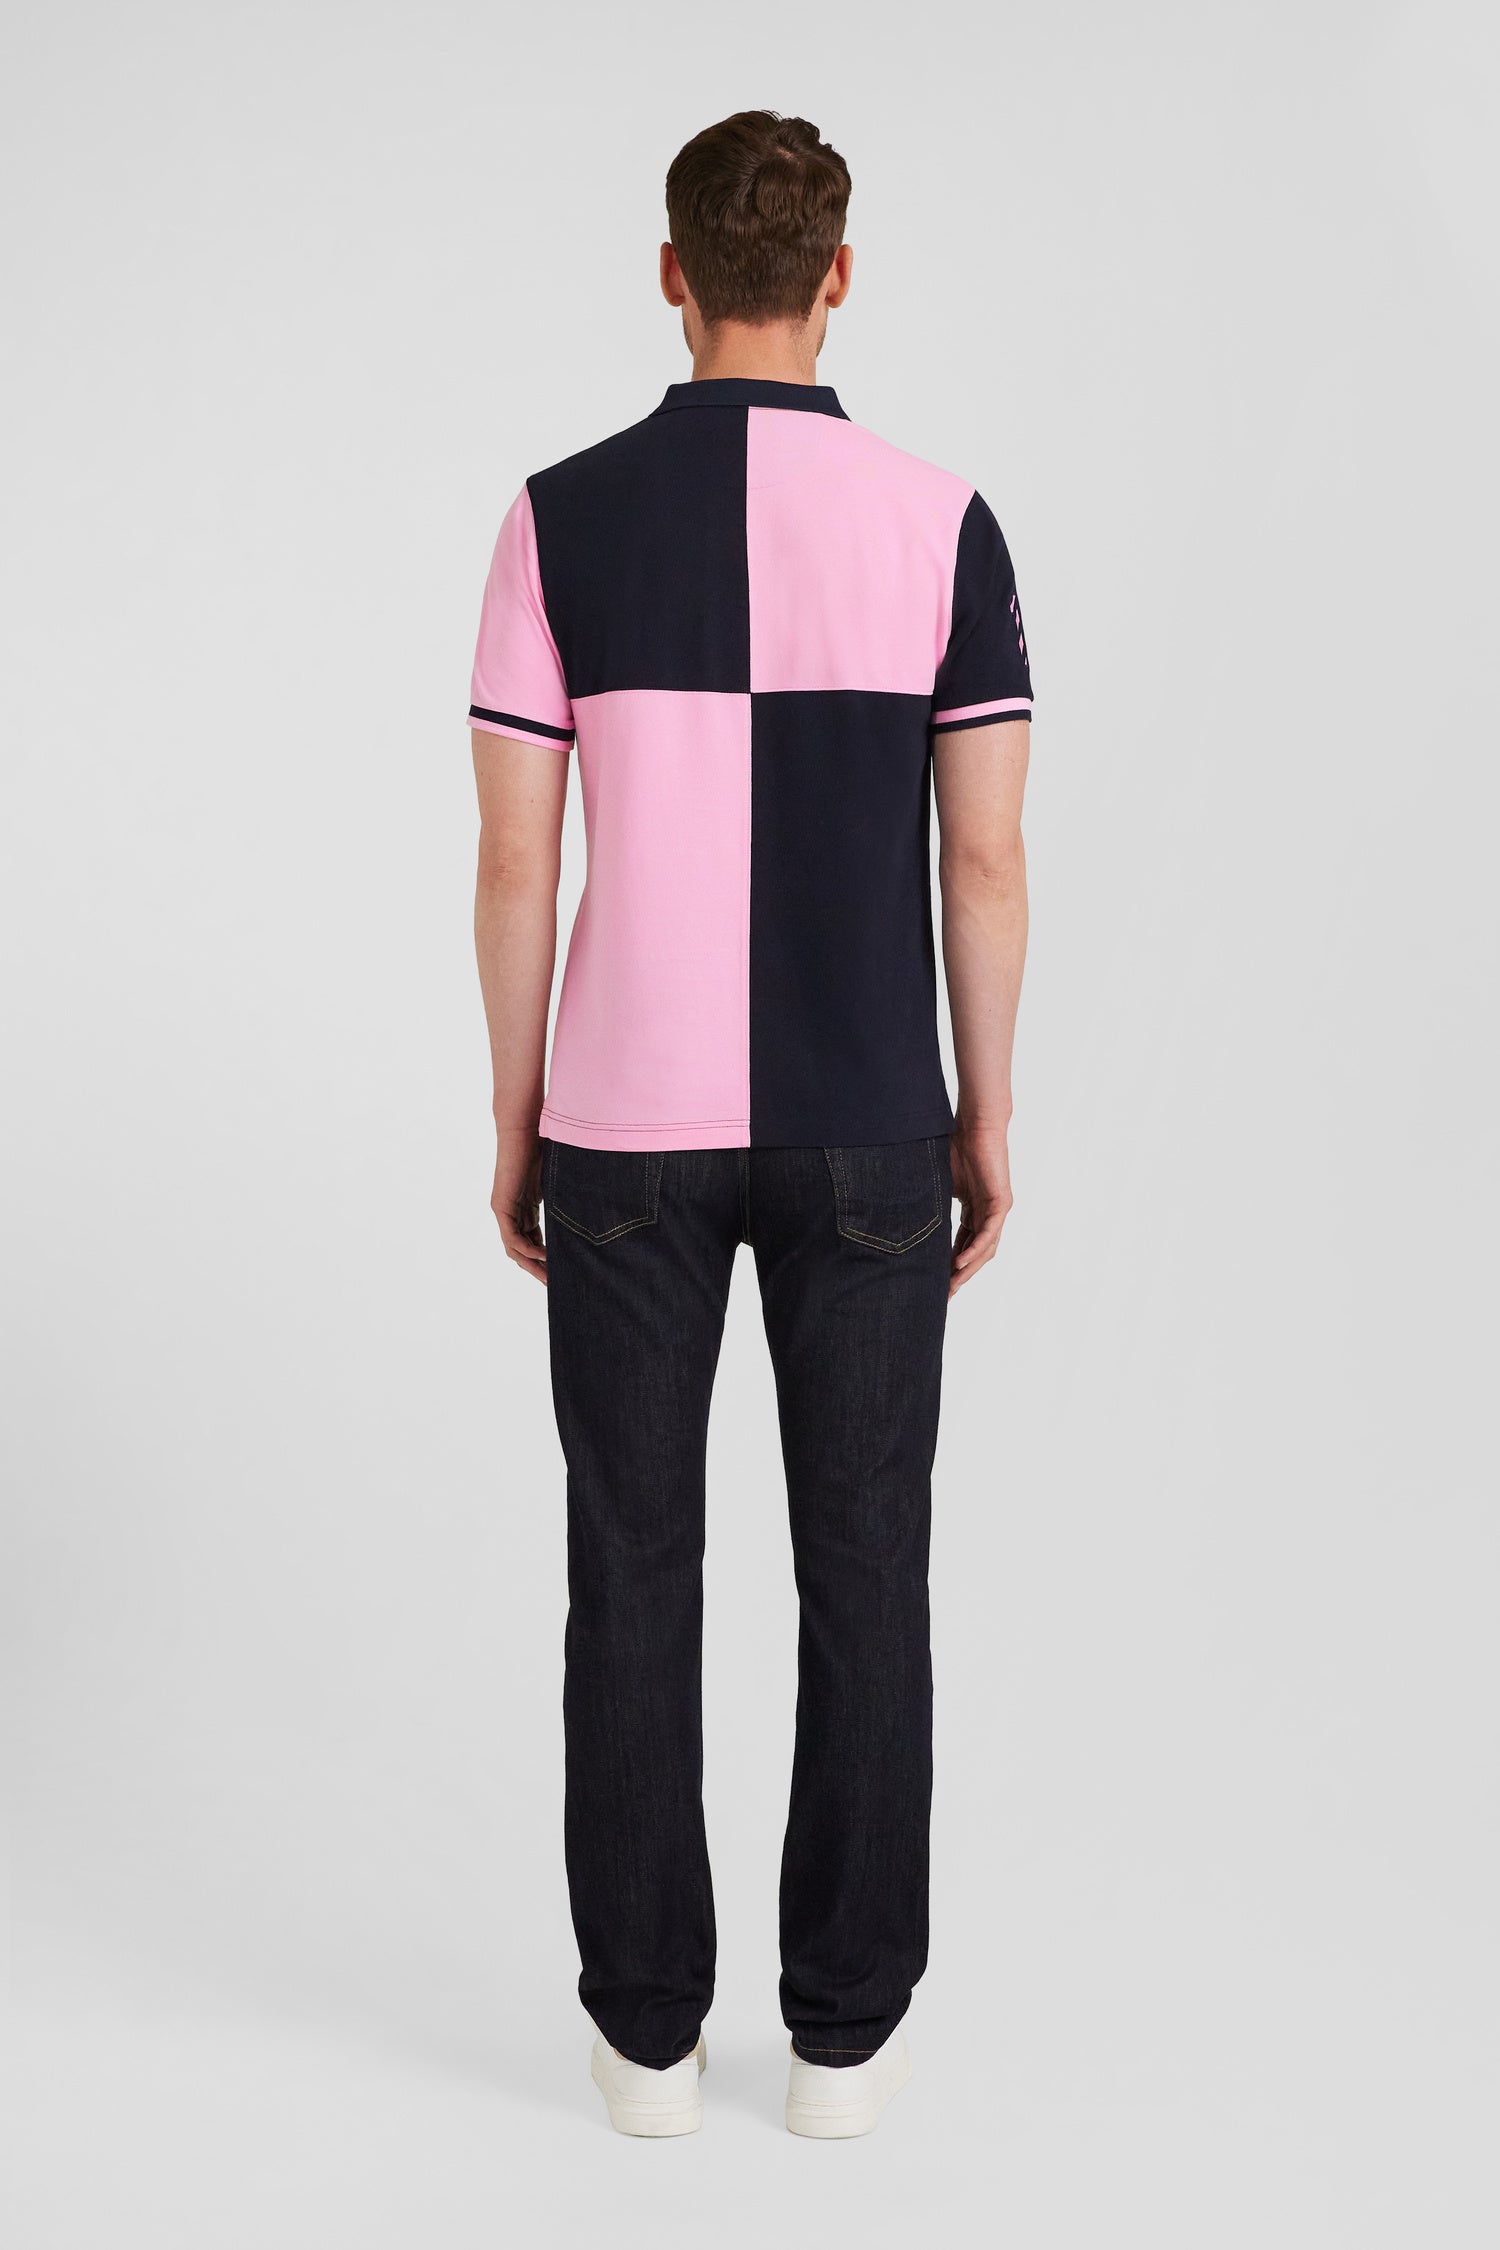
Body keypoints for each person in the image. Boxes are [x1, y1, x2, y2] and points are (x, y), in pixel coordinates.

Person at [468, 109, 1032, 2140]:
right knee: (868, 1569)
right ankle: (842, 2048)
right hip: (871, 1117)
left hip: (623, 1130)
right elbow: (986, 861)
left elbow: (515, 860)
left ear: (672, 275)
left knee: (631, 1569)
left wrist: (518, 1111)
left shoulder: (557, 519)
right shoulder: (944, 524)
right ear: (840, 277)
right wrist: (986, 1113)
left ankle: (645, 2043)